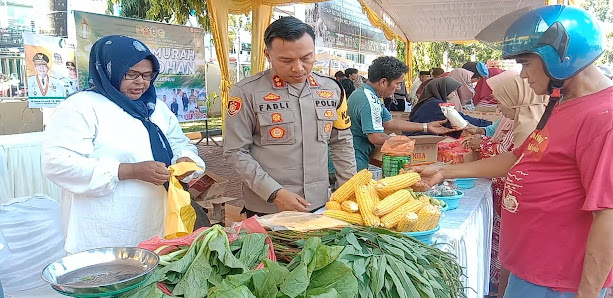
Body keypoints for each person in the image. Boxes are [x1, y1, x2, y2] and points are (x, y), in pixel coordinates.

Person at [412, 5, 613, 298]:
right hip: (531, 268)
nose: (521, 74)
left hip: (558, 281)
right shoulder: (562, 102)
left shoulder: (607, 117)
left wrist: (588, 293)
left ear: (560, 56)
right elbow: (519, 157)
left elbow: (612, 215)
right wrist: (444, 171)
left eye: (525, 63)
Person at [42, 36, 205, 254]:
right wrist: (128, 170)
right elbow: (56, 163)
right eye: (131, 74)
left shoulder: (155, 108)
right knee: (109, 281)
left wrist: (185, 160)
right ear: (109, 70)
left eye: (148, 75)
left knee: (153, 278)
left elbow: (179, 143)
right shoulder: (82, 107)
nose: (141, 82)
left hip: (155, 222)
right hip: (105, 229)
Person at [223, 16, 357, 217]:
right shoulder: (246, 92)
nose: (298, 68)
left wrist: (350, 190)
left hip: (320, 204)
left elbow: (341, 142)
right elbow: (236, 151)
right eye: (286, 60)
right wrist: (274, 192)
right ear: (267, 54)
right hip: (267, 209)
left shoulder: (333, 89)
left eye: (306, 58)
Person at [463, 72, 549, 297]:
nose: (499, 107)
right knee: (506, 253)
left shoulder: (532, 123)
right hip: (508, 198)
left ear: (515, 98)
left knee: (512, 256)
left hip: (521, 204)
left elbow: (512, 158)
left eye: (501, 100)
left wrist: (477, 149)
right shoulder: (520, 119)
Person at [347, 56, 454, 171]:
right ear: (383, 81)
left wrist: (426, 126)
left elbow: (389, 122)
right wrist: (404, 142)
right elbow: (376, 137)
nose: (398, 88)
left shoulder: (367, 93)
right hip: (353, 158)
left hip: (355, 154)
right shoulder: (368, 99)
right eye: (397, 83)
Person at [407, 77, 491, 138]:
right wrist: (488, 125)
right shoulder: (436, 105)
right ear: (444, 90)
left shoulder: (428, 102)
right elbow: (460, 119)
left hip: (416, 137)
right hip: (421, 139)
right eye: (453, 90)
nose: (455, 94)